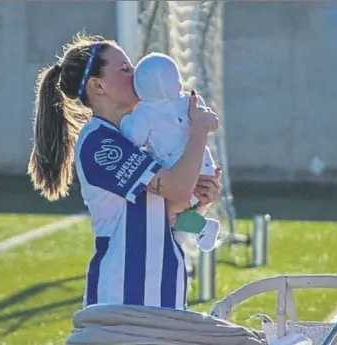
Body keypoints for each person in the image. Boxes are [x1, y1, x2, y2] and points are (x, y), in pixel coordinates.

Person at [27, 33, 221, 311]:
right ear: (98, 86)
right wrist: (198, 131)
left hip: (165, 292)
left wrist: (202, 202)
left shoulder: (145, 139)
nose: (135, 74)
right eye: (124, 69)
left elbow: (169, 218)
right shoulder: (99, 142)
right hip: (124, 298)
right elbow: (177, 187)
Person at [120, 52, 220, 252]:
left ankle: (202, 227)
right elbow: (211, 122)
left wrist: (124, 121)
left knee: (170, 215)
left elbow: (135, 138)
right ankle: (192, 230)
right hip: (204, 164)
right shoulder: (190, 101)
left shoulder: (145, 112)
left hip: (179, 170)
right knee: (181, 212)